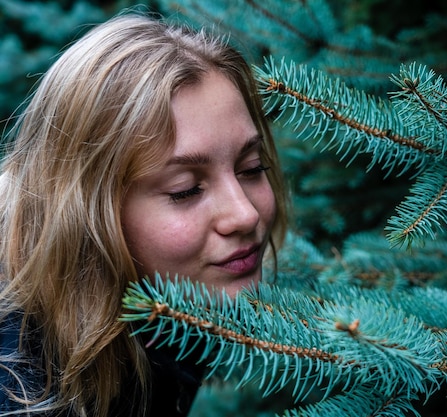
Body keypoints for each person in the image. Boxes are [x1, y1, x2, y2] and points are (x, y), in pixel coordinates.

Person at [0, 11, 288, 417]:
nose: (245, 215)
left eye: (253, 168)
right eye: (185, 189)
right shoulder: (18, 385)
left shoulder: (166, 312)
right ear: (87, 211)